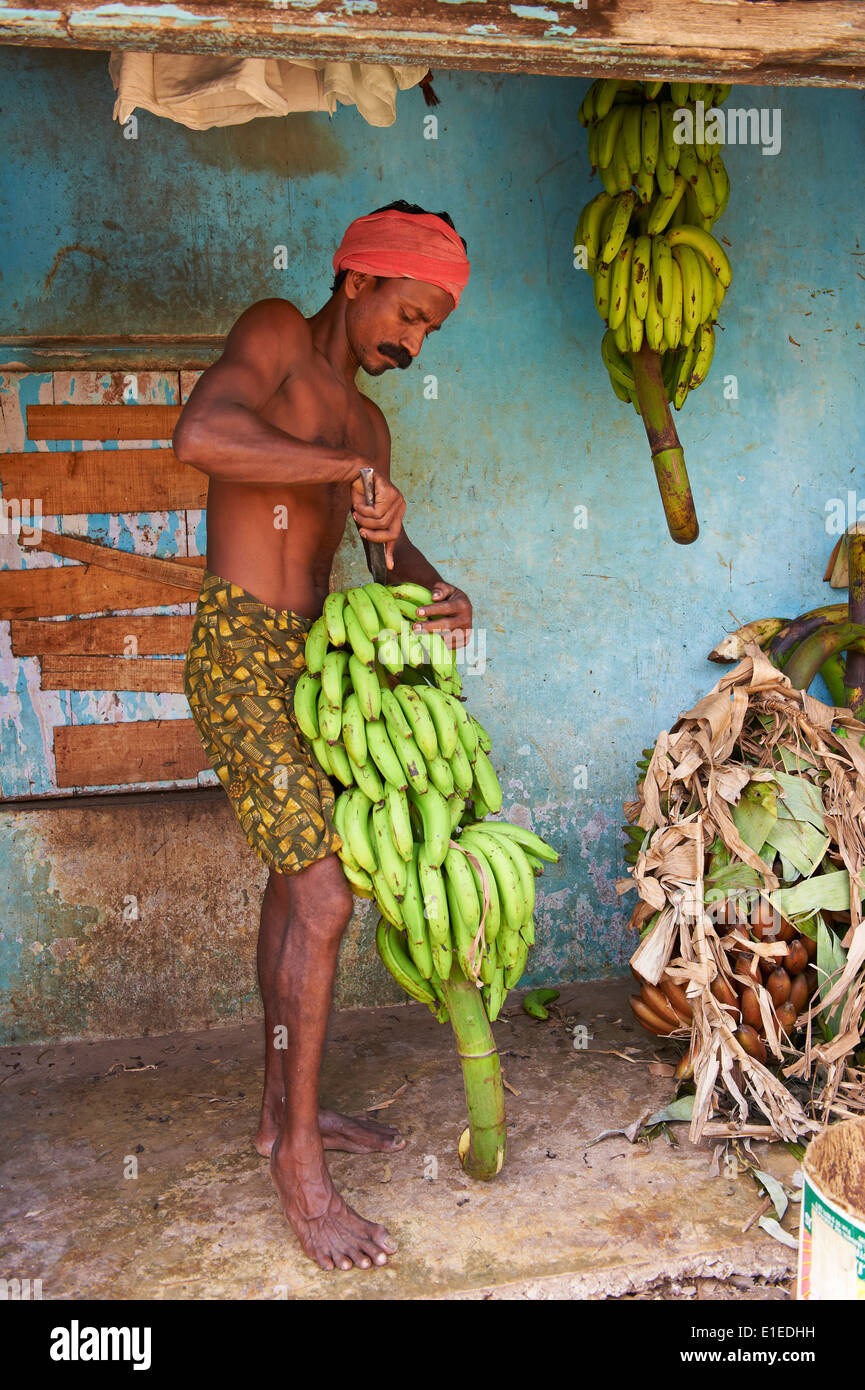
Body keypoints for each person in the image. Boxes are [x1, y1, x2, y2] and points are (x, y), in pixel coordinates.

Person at [174, 200, 472, 1272]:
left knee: (289, 887)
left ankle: (275, 1110)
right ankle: (298, 1164)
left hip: (313, 665)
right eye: (411, 312)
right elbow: (199, 435)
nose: (414, 339)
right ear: (357, 280)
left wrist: (435, 588)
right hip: (240, 649)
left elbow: (386, 560)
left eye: (433, 328)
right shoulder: (273, 337)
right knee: (324, 893)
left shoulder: (372, 428)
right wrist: (336, 471)